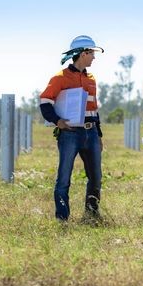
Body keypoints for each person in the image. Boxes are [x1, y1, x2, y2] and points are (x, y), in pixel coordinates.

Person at [39, 35, 104, 222]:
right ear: (83, 53)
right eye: (92, 53)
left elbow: (94, 109)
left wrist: (98, 135)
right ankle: (62, 218)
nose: (94, 57)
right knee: (64, 177)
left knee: (96, 177)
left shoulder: (91, 79)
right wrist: (57, 121)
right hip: (69, 134)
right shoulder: (60, 78)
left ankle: (91, 214)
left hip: (90, 133)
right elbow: (45, 102)